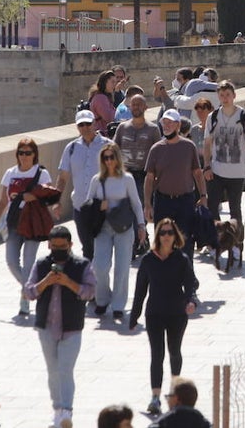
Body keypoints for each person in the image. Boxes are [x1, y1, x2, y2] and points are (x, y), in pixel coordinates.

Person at [25, 225, 96, 428]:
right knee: (52, 370)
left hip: (71, 327)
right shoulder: (41, 265)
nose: (58, 250)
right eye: (54, 246)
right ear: (49, 245)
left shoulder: (81, 265)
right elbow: (29, 292)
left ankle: (67, 410)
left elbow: (90, 292)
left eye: (62, 246)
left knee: (65, 369)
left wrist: (68, 282)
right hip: (46, 327)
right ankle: (57, 409)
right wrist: (46, 282)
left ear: (70, 245)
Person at [130, 218, 200, 417]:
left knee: (174, 351)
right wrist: (134, 317)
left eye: (170, 233)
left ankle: (174, 393)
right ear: (158, 236)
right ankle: (155, 397)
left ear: (175, 236)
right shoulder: (148, 260)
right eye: (163, 233)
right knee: (157, 355)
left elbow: (191, 284)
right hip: (154, 314)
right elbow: (140, 291)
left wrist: (192, 302)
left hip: (177, 314)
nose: (167, 236)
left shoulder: (181, 259)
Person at [0, 138, 55, 317]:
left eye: (28, 153)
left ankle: (24, 302)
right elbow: (3, 200)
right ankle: (33, 287)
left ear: (34, 154)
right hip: (14, 221)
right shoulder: (10, 173)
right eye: (21, 153)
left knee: (28, 263)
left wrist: (32, 197)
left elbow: (48, 195)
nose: (24, 157)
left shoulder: (41, 173)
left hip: (33, 220)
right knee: (11, 261)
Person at [86, 143, 147, 320]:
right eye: (106, 158)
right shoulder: (97, 180)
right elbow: (88, 204)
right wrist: (99, 205)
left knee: (122, 268)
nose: (109, 161)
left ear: (117, 159)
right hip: (103, 227)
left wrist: (141, 226)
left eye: (112, 157)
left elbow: (136, 203)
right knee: (100, 266)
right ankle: (102, 299)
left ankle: (119, 304)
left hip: (124, 227)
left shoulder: (126, 179)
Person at [144, 109, 207, 259]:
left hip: (185, 200)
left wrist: (203, 196)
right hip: (163, 200)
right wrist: (147, 204)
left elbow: (198, 173)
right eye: (164, 123)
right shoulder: (156, 149)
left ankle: (187, 277)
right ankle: (163, 278)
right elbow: (149, 178)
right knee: (161, 241)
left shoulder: (188, 146)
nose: (166, 126)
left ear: (178, 125)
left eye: (170, 123)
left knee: (185, 241)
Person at [203, 81, 245, 228]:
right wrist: (207, 166)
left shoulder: (244, 116)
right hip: (217, 170)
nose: (225, 98)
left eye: (228, 95)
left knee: (235, 209)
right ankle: (216, 238)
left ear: (234, 95)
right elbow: (207, 143)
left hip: (237, 171)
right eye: (222, 95)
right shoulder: (213, 117)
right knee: (212, 206)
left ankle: (236, 243)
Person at [58, 109, 112, 260]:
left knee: (102, 249)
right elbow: (63, 177)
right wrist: (57, 201)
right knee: (87, 249)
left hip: (103, 206)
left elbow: (117, 175)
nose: (85, 128)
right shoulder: (71, 148)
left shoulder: (107, 146)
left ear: (94, 123)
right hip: (80, 206)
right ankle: (90, 282)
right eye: (81, 125)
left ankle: (101, 280)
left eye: (88, 124)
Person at [114, 94, 163, 258]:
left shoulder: (153, 129)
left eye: (139, 105)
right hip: (125, 175)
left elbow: (158, 153)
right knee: (128, 209)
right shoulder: (122, 128)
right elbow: (114, 149)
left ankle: (139, 240)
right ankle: (138, 240)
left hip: (144, 176)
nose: (135, 107)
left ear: (145, 108)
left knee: (139, 209)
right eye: (133, 105)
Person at [89, 69, 118, 135]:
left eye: (115, 82)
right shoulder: (100, 98)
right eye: (112, 82)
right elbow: (109, 118)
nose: (114, 85)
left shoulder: (102, 97)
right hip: (101, 135)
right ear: (105, 82)